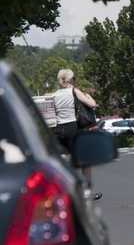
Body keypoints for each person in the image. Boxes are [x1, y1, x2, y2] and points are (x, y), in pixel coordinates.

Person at [52, 69, 102, 200]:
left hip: (58, 130)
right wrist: (89, 96)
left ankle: (63, 193)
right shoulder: (74, 91)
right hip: (73, 128)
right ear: (71, 80)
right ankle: (87, 193)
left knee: (64, 162)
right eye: (74, 78)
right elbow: (92, 104)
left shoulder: (55, 94)